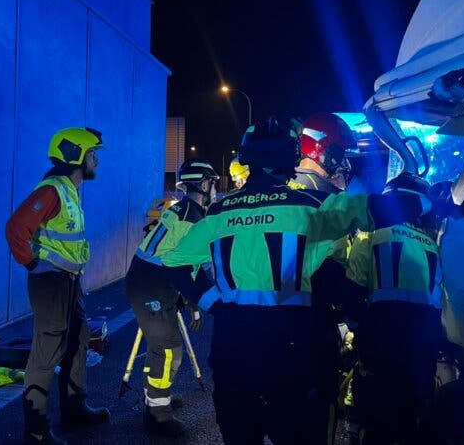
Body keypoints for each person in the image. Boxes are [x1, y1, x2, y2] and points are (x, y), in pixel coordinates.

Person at [161, 117, 427, 444]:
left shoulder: (219, 212)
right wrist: (432, 202)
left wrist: (213, 302)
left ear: (246, 159)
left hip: (233, 355)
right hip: (295, 357)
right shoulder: (311, 207)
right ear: (292, 158)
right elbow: (374, 209)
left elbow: (173, 262)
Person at [5, 127, 109, 445]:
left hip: (69, 281)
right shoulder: (52, 190)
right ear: (76, 155)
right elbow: (16, 228)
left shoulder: (70, 189)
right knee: (47, 352)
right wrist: (32, 264)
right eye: (93, 154)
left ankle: (74, 410)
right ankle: (36, 432)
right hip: (50, 282)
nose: (96, 161)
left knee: (78, 337)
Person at [345, 171, 443, 445]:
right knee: (412, 425)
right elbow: (437, 304)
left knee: (375, 426)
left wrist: (361, 332)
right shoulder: (432, 246)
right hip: (421, 353)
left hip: (380, 350)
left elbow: (351, 295)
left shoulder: (370, 237)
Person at [124, 158, 218, 437]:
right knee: (167, 350)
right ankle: (158, 414)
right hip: (151, 285)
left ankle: (155, 399)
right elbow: (191, 267)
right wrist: (200, 304)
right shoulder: (193, 220)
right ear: (203, 185)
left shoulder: (182, 209)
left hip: (152, 281)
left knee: (160, 347)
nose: (215, 189)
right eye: (213, 183)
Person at [289, 112, 357, 193]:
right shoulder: (329, 195)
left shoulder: (285, 181)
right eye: (341, 154)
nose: (343, 162)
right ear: (329, 151)